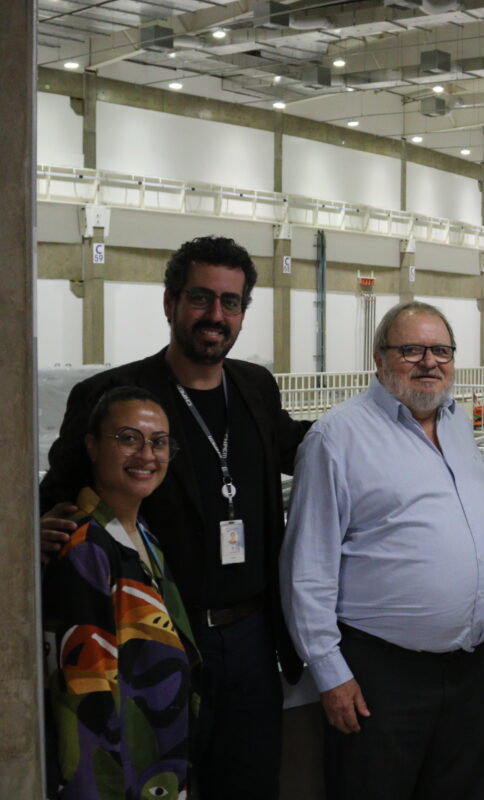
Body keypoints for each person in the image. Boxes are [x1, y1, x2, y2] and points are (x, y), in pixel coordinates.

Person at [40, 235, 308, 800]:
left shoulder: (255, 387)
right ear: (170, 303)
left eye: (231, 303)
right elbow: (57, 497)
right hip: (155, 644)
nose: (216, 315)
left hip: (253, 638)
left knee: (251, 785)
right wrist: (29, 536)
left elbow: (305, 449)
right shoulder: (112, 395)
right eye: (201, 298)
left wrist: (395, 417)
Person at [281, 301, 484, 800]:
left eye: (442, 350)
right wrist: (331, 674)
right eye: (412, 350)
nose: (430, 362)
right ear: (379, 359)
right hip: (380, 676)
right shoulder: (336, 437)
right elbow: (307, 567)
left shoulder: (458, 422)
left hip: (464, 670)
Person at [44, 386, 198, 799]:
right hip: (116, 776)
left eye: (159, 442)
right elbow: (85, 698)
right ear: (92, 446)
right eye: (128, 438)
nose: (147, 455)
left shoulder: (141, 534)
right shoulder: (85, 544)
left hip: (154, 762)